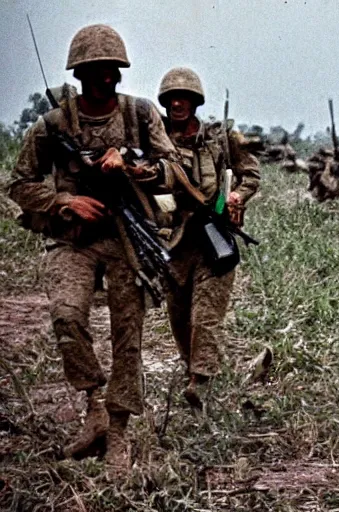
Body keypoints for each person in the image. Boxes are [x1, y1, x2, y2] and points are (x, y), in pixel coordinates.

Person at [8, 24, 182, 476]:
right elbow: (20, 183)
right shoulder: (53, 124)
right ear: (81, 72)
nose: (108, 76)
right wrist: (67, 201)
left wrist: (133, 162)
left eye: (113, 69)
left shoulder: (141, 114)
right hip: (73, 240)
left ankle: (119, 434)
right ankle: (94, 408)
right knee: (67, 314)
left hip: (128, 236)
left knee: (128, 335)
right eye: (97, 70)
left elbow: (173, 169)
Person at [157, 67, 261, 408]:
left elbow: (252, 173)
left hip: (213, 237)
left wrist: (237, 197)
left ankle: (201, 382)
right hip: (172, 242)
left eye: (184, 98)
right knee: (178, 315)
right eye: (172, 98)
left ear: (196, 102)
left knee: (207, 316)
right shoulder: (155, 139)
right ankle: (191, 367)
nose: (177, 104)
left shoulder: (220, 138)